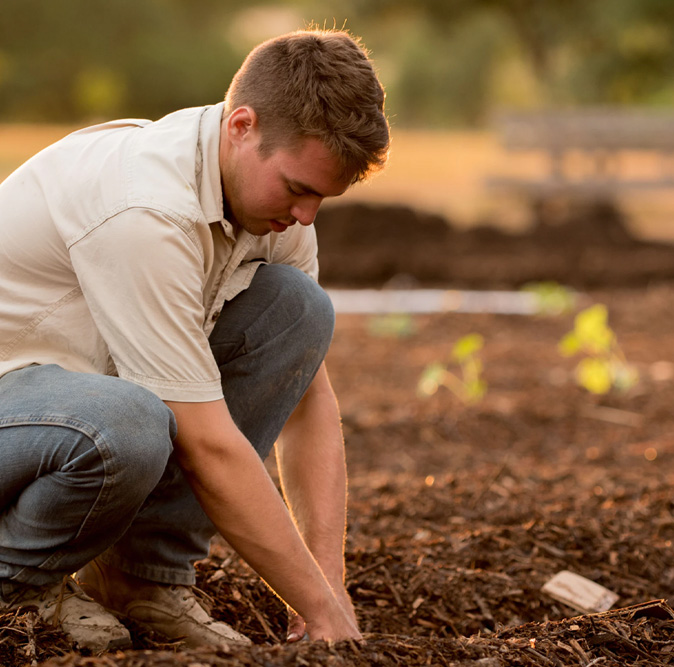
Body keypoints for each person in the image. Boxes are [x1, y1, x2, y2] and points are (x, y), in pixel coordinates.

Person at [0, 28, 389, 652]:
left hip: (60, 404)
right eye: (298, 189)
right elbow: (208, 444)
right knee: (126, 422)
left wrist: (328, 586)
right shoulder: (145, 210)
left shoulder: (272, 210)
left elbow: (307, 398)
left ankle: (139, 580)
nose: (308, 216)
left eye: (322, 197)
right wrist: (317, 608)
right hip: (13, 408)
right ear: (242, 126)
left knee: (297, 311)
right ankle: (13, 585)